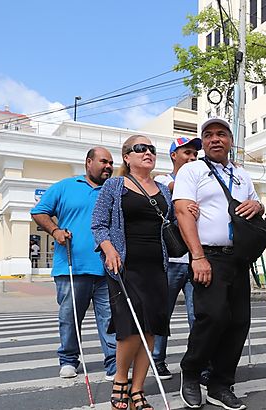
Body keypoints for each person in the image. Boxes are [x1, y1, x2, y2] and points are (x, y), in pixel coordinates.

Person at [175, 117, 264, 410]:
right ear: (203, 142)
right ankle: (191, 372)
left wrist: (258, 205)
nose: (215, 139)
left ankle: (220, 384)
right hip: (208, 257)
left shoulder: (241, 175)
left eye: (221, 134)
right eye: (209, 135)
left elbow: (254, 205)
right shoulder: (193, 170)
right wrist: (197, 256)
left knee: (238, 322)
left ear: (230, 141)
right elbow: (182, 212)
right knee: (212, 317)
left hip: (238, 259)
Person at [92, 135, 173, 410]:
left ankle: (138, 389)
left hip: (157, 266)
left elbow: (171, 223)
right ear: (127, 156)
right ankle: (120, 381)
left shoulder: (164, 190)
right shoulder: (114, 185)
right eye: (140, 148)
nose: (147, 152)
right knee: (128, 329)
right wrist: (109, 249)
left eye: (151, 149)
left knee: (151, 329)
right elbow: (98, 224)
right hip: (124, 266)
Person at [31, 147, 117, 381]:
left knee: (109, 319)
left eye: (111, 162)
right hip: (71, 267)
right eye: (103, 162)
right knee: (69, 317)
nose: (108, 166)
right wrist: (55, 230)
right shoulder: (65, 186)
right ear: (89, 162)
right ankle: (68, 359)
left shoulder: (113, 190)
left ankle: (113, 363)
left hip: (106, 267)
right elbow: (39, 212)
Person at [152, 136, 202, 380]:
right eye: (187, 153)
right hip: (170, 260)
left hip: (195, 259)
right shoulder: (163, 180)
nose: (192, 158)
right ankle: (157, 359)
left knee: (197, 315)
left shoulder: (200, 182)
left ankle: (197, 362)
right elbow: (166, 193)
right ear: (174, 155)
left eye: (195, 155)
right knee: (164, 312)